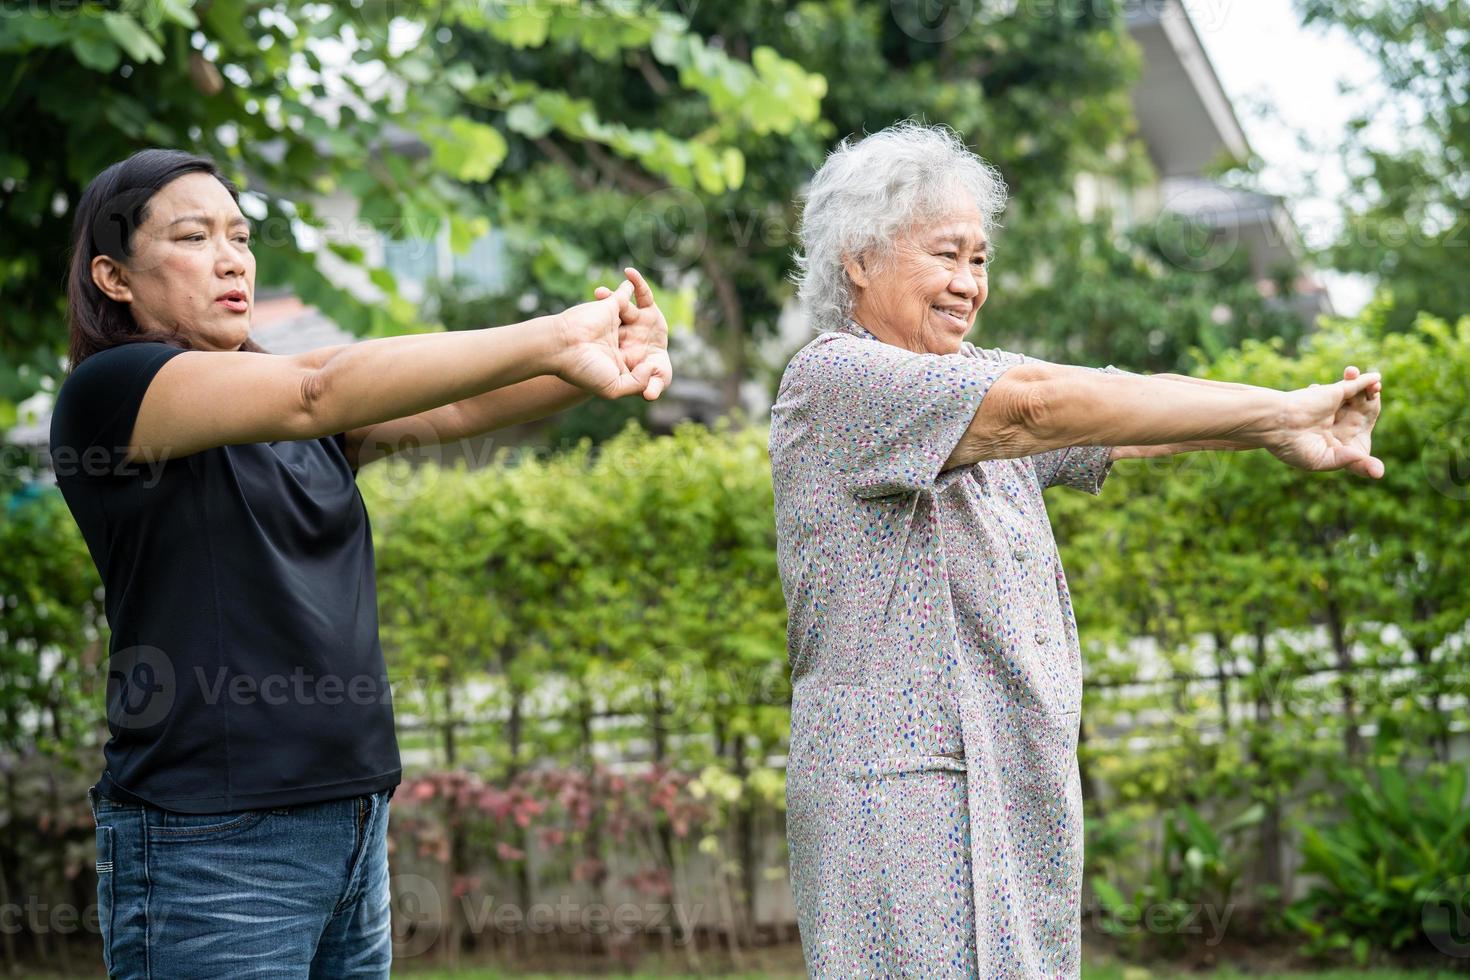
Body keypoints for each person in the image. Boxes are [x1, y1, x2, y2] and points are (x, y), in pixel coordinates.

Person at [769, 120, 1382, 979]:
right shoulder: (839, 378)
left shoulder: (967, 380)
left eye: (980, 260)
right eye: (947, 255)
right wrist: (1280, 413)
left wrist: (1281, 420)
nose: (968, 283)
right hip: (902, 796)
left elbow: (1130, 410)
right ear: (860, 260)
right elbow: (1039, 406)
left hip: (1009, 781)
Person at [49, 147, 673, 978]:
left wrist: (598, 363)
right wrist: (555, 331)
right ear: (114, 277)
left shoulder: (282, 402)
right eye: (194, 238)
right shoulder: (113, 392)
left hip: (350, 822)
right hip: (211, 844)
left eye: (240, 235)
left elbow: (454, 403)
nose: (232, 257)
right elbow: (320, 390)